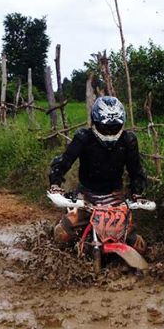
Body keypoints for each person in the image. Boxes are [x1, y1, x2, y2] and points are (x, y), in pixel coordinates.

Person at [48, 96, 147, 253]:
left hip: (115, 198)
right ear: (95, 122)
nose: (110, 132)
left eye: (114, 127)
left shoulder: (128, 140)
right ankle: (57, 258)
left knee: (138, 246)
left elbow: (136, 171)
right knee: (61, 234)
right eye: (105, 127)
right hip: (86, 195)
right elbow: (64, 162)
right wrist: (55, 184)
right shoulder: (83, 138)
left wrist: (137, 193)